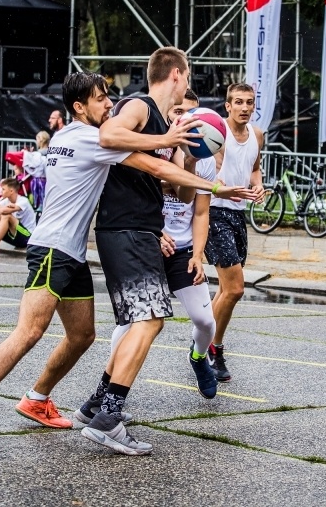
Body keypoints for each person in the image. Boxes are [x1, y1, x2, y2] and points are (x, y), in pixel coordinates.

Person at [0, 70, 248, 449]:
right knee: (29, 331)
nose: (109, 105)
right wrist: (211, 180)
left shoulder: (64, 136)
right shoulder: (92, 139)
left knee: (83, 335)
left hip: (72, 252)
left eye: (108, 98)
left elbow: (158, 176)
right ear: (79, 106)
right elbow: (154, 166)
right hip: (52, 249)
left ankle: (37, 399)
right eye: (101, 99)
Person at [77, 48, 256, 456]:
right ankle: (109, 416)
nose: (189, 83)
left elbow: (173, 180)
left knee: (146, 320)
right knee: (151, 320)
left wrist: (202, 171)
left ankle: (97, 407)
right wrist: (167, 139)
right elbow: (109, 135)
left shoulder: (162, 126)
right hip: (125, 229)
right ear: (176, 74)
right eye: (188, 75)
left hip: (142, 230)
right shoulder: (138, 106)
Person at [97, 88, 219, 402]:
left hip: (181, 248)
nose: (184, 120)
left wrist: (199, 254)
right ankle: (108, 391)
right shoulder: (152, 141)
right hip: (146, 240)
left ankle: (197, 356)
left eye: (191, 115)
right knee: (134, 322)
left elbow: (194, 204)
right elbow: (148, 170)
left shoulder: (198, 157)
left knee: (206, 321)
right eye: (179, 113)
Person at [203, 83, 266, 382]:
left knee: (226, 291)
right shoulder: (218, 134)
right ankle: (212, 349)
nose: (244, 107)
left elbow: (255, 167)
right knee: (236, 288)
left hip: (238, 215)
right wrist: (223, 187)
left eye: (249, 103)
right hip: (215, 212)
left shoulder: (256, 134)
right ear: (227, 106)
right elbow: (210, 174)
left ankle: (200, 344)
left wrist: (258, 184)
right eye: (238, 102)